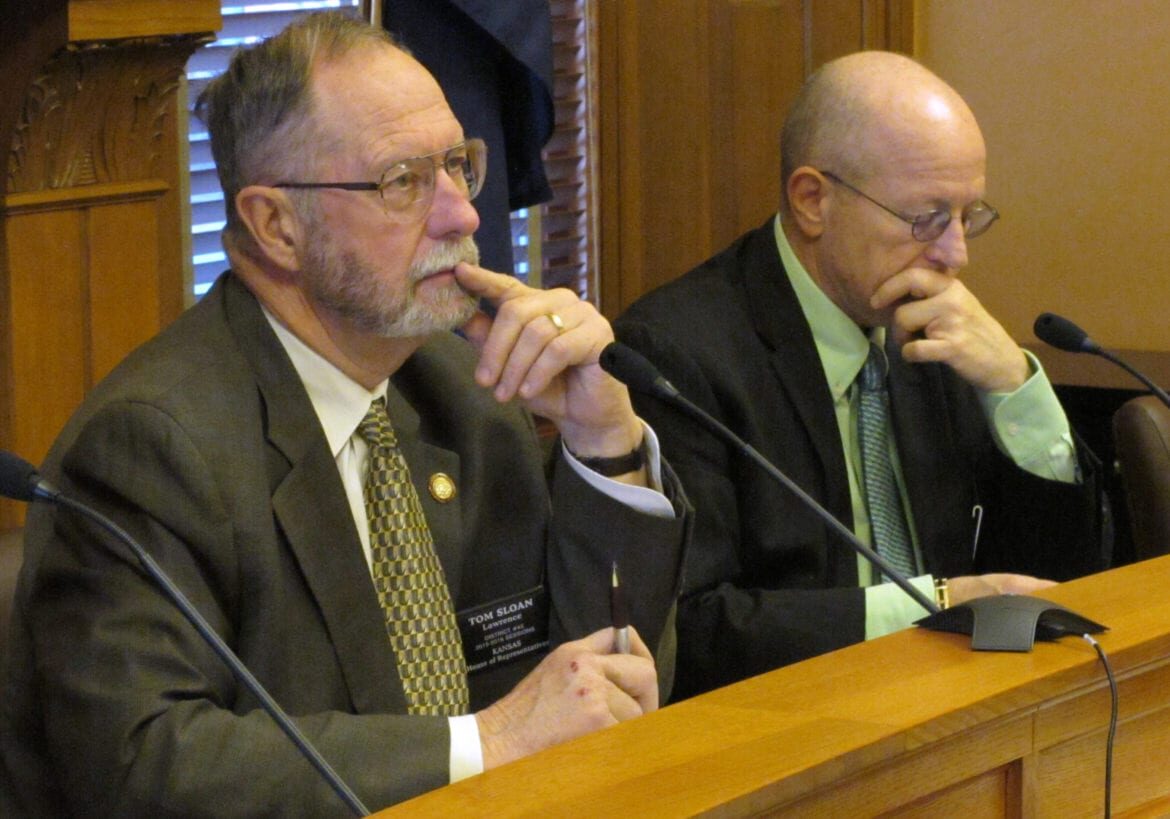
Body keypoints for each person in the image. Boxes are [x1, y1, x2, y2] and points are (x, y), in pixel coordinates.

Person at [0, 12, 688, 815]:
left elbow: (605, 690)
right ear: (276, 226)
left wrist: (601, 440)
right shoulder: (153, 445)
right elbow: (143, 762)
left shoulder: (466, 394)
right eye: (403, 180)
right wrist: (488, 740)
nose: (462, 215)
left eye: (458, 166)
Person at [615, 51, 1109, 701]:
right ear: (813, 200)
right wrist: (932, 609)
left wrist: (1014, 385)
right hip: (785, 729)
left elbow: (1061, 579)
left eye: (969, 217)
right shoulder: (677, 352)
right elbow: (694, 629)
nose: (955, 254)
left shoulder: (935, 329)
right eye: (927, 218)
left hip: (959, 710)